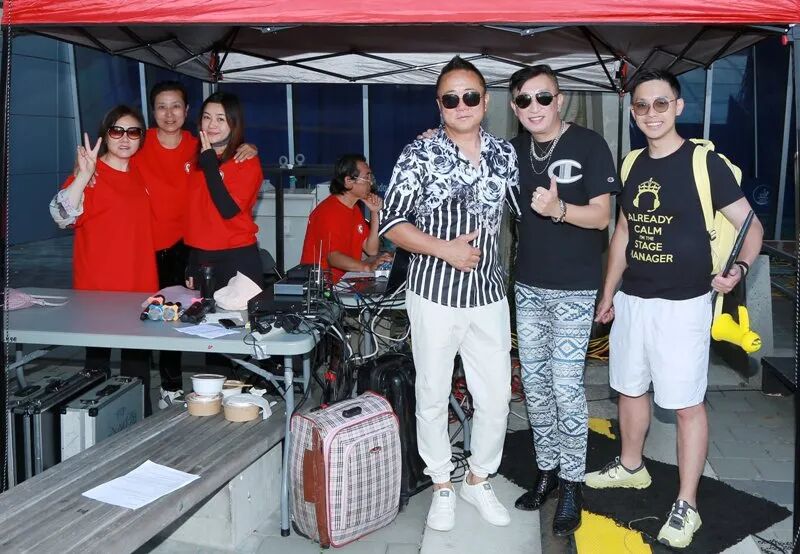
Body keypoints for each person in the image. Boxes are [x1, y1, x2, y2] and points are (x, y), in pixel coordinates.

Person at [587, 69, 763, 549]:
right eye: (642, 105)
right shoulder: (631, 163)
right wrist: (609, 293)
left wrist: (739, 269)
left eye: (661, 104)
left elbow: (751, 226)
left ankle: (687, 503)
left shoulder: (705, 164)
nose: (651, 114)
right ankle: (631, 466)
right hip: (633, 300)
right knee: (628, 388)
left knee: (686, 404)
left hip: (685, 304)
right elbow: (624, 232)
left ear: (678, 107)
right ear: (633, 111)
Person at [380, 56, 520, 532]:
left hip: (489, 295)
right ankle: (442, 483)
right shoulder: (418, 154)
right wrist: (445, 249)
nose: (462, 105)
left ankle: (478, 479)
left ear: (486, 101)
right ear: (439, 106)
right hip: (434, 295)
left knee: (496, 397)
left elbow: (528, 209)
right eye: (451, 98)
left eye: (470, 96)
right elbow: (391, 223)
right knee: (433, 394)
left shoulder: (504, 155)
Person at [507, 65, 619, 536]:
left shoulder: (589, 144)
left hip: (575, 287)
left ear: (560, 100)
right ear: (514, 107)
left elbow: (602, 217)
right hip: (528, 287)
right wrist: (437, 136)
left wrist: (559, 209)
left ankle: (573, 483)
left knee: (566, 386)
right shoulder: (512, 151)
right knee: (535, 387)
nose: (534, 107)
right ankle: (547, 471)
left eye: (543, 97)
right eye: (524, 100)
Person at [134, 81, 257, 407]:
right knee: (160, 321)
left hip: (205, 250)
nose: (169, 114)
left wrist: (246, 147)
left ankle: (225, 397)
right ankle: (169, 389)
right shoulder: (143, 143)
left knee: (214, 328)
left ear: (186, 111)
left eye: (176, 106)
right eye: (162, 107)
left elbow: (227, 189)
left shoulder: (202, 147)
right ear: (152, 111)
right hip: (161, 248)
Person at [49, 105, 158, 415]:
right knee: (96, 368)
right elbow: (61, 215)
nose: (124, 138)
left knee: (137, 367)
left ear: (141, 138)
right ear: (105, 134)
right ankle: (90, 427)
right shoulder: (90, 176)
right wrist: (82, 176)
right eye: (116, 130)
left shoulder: (139, 172)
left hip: (138, 288)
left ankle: (138, 422)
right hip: (97, 291)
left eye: (133, 132)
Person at [184, 91, 264, 293]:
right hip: (202, 257)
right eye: (207, 117)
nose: (212, 124)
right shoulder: (194, 158)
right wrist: (192, 261)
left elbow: (227, 209)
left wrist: (210, 163)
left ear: (234, 123)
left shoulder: (245, 161)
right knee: (200, 314)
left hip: (236, 257)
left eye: (221, 119)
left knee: (239, 315)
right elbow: (196, 214)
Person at [300, 154, 390, 283]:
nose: (370, 182)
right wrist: (366, 267)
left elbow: (371, 249)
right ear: (348, 181)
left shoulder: (354, 209)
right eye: (366, 177)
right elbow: (333, 257)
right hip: (325, 286)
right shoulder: (328, 211)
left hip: (346, 282)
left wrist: (375, 212)